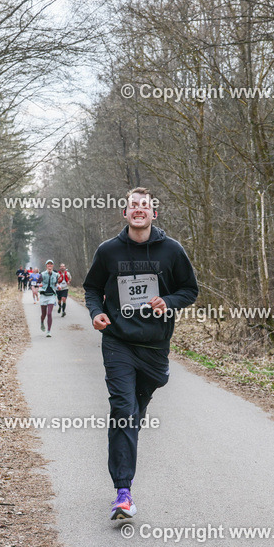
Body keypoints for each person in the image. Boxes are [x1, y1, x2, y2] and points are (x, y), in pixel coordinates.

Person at [83, 187, 198, 519]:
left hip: (155, 348)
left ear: (153, 213)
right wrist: (95, 313)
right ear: (125, 213)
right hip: (118, 342)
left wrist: (169, 302)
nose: (139, 210)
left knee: (132, 415)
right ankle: (123, 492)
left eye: (144, 206)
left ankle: (125, 451)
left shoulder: (171, 251)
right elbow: (92, 288)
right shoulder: (108, 251)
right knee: (122, 410)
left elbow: (189, 289)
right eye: (133, 205)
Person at [38, 260, 59, 336]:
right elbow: (38, 282)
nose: (49, 265)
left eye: (51, 264)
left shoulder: (56, 275)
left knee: (49, 313)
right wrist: (39, 284)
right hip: (43, 295)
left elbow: (56, 284)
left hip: (51, 296)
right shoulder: (42, 274)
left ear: (53, 265)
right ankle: (42, 322)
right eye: (48, 264)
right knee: (43, 314)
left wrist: (58, 286)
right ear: (46, 265)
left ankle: (49, 331)